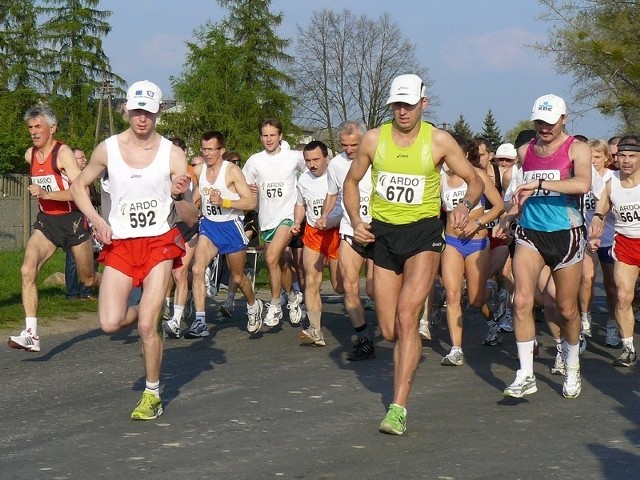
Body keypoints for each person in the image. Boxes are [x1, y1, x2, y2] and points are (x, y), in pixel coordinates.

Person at [344, 74, 484, 435]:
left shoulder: (438, 140)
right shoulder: (374, 139)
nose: (402, 111)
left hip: (423, 234)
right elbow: (351, 182)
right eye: (397, 104)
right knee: (389, 329)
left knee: (408, 316)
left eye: (409, 103)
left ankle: (398, 406)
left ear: (424, 103)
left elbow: (476, 181)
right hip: (384, 235)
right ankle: (404, 357)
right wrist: (356, 219)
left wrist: (464, 207)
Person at [70, 80, 198, 420]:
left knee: (145, 327)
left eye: (149, 112)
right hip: (121, 245)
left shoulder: (173, 153)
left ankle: (152, 393)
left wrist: (177, 195)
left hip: (158, 242)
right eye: (137, 111)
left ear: (158, 114)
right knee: (110, 323)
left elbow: (190, 215)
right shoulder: (107, 149)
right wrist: (97, 219)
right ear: (127, 110)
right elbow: (78, 186)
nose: (142, 118)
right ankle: (147, 310)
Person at [496, 94, 591, 399]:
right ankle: (525, 374)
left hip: (566, 233)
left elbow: (582, 184)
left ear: (564, 119)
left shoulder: (577, 148)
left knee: (565, 308)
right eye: (539, 121)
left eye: (550, 122)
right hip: (531, 234)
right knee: (521, 301)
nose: (544, 128)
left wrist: (540, 185)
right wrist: (510, 216)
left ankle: (573, 365)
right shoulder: (525, 151)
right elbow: (523, 193)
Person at [8, 106, 100, 352]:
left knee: (88, 279)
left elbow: (82, 190)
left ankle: (120, 284)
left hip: (72, 220)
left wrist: (48, 193)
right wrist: (45, 198)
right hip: (47, 222)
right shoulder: (30, 155)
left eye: (38, 127)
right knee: (27, 270)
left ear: (52, 128)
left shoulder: (64, 154)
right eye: (30, 128)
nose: (33, 132)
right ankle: (31, 333)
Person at [188, 131, 262, 337]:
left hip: (231, 226)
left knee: (238, 277)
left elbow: (250, 202)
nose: (207, 153)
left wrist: (224, 202)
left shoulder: (231, 172)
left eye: (211, 149)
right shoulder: (200, 170)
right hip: (210, 227)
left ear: (221, 150)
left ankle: (253, 306)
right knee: (197, 269)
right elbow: (198, 197)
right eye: (204, 149)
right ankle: (200, 321)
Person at [439, 135, 504, 366]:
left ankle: (491, 293)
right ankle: (456, 349)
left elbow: (499, 206)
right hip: (452, 243)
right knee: (453, 294)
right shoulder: (440, 178)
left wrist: (478, 223)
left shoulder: (478, 176)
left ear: (464, 155)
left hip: (477, 242)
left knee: (475, 300)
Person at [319, 120, 377, 360]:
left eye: (354, 144)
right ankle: (364, 339)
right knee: (349, 287)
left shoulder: (376, 160)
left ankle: (401, 326)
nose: (350, 149)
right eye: (344, 145)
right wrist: (324, 214)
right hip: (349, 230)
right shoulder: (336, 166)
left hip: (377, 231)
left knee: (374, 290)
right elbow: (332, 194)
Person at [242, 118, 306, 327]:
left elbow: (313, 170)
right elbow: (244, 185)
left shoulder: (293, 157)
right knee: (281, 263)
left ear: (281, 136)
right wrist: (250, 190)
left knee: (270, 258)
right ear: (260, 137)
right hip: (267, 219)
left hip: (287, 217)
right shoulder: (254, 160)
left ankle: (275, 304)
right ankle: (293, 297)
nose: (269, 139)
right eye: (265, 135)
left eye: (272, 135)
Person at [589, 135, 640, 367]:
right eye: (623, 156)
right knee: (622, 296)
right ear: (616, 157)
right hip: (626, 244)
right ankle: (628, 348)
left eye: (632, 156)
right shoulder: (611, 183)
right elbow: (601, 208)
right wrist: (597, 222)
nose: (627, 161)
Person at [293, 140, 344, 346]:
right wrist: (297, 222)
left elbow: (346, 204)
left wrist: (329, 219)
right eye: (308, 161)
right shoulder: (303, 179)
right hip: (313, 233)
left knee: (340, 286)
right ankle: (315, 329)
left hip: (336, 233)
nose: (312, 164)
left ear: (326, 158)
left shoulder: (337, 175)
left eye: (316, 159)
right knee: (311, 280)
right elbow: (300, 204)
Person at [579, 140, 617, 343]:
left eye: (597, 157)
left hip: (610, 239)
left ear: (606, 158)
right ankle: (585, 318)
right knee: (587, 278)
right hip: (587, 238)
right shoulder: (583, 178)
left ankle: (612, 323)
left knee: (612, 286)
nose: (593, 161)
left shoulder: (612, 179)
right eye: (590, 157)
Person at [161, 137, 199, 337]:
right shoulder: (162, 173)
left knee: (179, 273)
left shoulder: (188, 175)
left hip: (187, 227)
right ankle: (173, 305)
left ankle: (175, 321)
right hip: (168, 226)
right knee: (168, 272)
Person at [64, 147, 99, 300]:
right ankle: (72, 294)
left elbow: (95, 200)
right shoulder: (66, 179)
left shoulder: (87, 178)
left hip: (89, 222)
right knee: (72, 260)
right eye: (81, 157)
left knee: (93, 257)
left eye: (85, 157)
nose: (85, 159)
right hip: (73, 222)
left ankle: (85, 291)